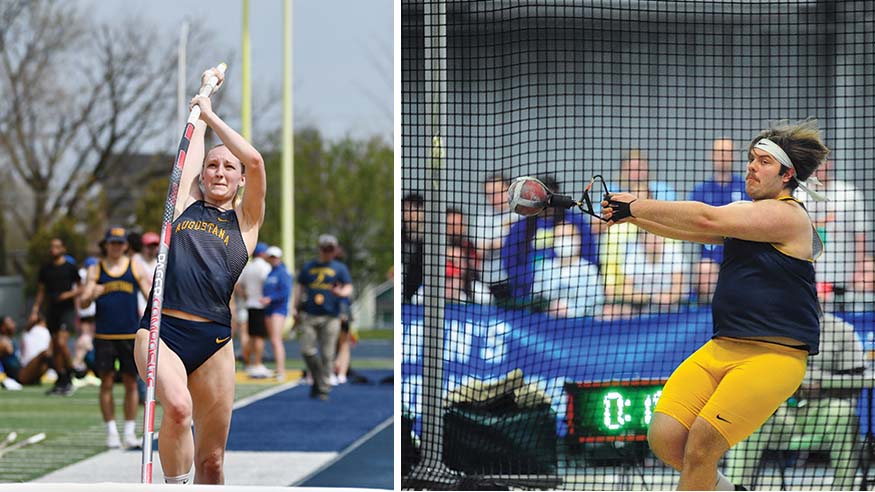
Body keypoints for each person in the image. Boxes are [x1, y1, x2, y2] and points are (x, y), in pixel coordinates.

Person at [601, 119, 830, 490]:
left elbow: (707, 216)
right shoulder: (748, 214)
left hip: (772, 357)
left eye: (763, 162)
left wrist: (638, 204)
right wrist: (633, 216)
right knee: (665, 437)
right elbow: (696, 230)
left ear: (787, 174)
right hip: (722, 348)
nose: (751, 166)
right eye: (751, 159)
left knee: (702, 447)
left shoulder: (786, 214)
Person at [133, 67, 265, 485]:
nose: (220, 172)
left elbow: (256, 159)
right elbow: (193, 147)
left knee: (214, 463)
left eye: (229, 167)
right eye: (212, 166)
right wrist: (202, 100)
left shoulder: (246, 221)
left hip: (214, 342)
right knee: (176, 409)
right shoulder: (185, 202)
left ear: (240, 180)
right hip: (160, 331)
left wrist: (211, 116)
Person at [724, 312, 867, 490]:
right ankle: (735, 487)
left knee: (844, 413)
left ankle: (843, 488)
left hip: (824, 408)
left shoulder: (841, 330)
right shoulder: (772, 329)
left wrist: (824, 384)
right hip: (783, 409)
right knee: (750, 419)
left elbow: (857, 376)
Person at [81, 227, 152, 449]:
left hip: (130, 334)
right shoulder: (96, 269)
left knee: (132, 383)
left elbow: (150, 296)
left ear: (125, 246)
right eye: (112, 243)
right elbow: (83, 302)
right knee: (107, 383)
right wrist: (91, 294)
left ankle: (130, 432)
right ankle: (111, 431)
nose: (116, 247)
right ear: (106, 245)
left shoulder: (134, 266)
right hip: (104, 334)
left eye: (119, 243)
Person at [291, 234, 352, 400]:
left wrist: (341, 293)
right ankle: (318, 379)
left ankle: (323, 388)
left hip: (331, 315)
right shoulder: (308, 267)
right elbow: (300, 288)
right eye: (325, 249)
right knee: (306, 350)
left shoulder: (340, 268)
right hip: (310, 314)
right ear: (320, 249)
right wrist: (295, 307)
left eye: (330, 249)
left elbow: (348, 287)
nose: (327, 252)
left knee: (327, 353)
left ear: (335, 250)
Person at [796, 159, 870, 296]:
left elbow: (861, 235)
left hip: (841, 273)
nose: (818, 169)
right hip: (807, 273)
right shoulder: (798, 194)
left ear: (829, 164)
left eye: (821, 163)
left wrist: (860, 270)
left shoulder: (849, 194)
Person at [689, 139, 747, 303]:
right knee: (704, 270)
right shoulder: (701, 191)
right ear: (712, 156)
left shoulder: (746, 188)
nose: (723, 157)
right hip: (711, 259)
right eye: (720, 152)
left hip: (742, 256)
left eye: (728, 152)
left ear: (734, 156)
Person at [29, 237, 81, 396]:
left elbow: (81, 288)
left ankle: (71, 369)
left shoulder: (70, 267)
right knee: (55, 347)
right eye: (51, 247)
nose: (53, 250)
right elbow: (40, 292)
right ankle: (62, 379)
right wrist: (35, 310)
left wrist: (67, 295)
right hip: (52, 310)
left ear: (63, 249)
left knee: (61, 342)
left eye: (57, 247)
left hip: (66, 310)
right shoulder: (45, 269)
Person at [532, 221, 604, 318]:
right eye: (559, 237)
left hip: (580, 325)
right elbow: (534, 299)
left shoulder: (589, 270)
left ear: (578, 240)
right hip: (548, 325)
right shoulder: (544, 268)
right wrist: (549, 307)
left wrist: (572, 311)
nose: (564, 240)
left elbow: (598, 304)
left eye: (569, 236)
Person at [473, 174, 519, 293]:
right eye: (489, 194)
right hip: (489, 281)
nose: (495, 198)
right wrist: (505, 242)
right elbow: (479, 250)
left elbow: (522, 244)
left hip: (516, 278)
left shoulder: (520, 214)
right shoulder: (483, 217)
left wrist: (493, 244)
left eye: (498, 192)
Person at [237, 242, 272, 378]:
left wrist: (246, 296)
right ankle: (257, 364)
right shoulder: (265, 267)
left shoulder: (249, 267)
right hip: (260, 304)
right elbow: (268, 284)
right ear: (263, 254)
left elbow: (238, 285)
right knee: (259, 337)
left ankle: (250, 363)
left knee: (251, 336)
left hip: (250, 304)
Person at [261, 246, 292, 382]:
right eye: (271, 257)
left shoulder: (283, 273)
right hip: (269, 309)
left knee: (276, 339)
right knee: (273, 340)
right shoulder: (270, 273)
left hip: (278, 309)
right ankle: (278, 368)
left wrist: (270, 298)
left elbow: (285, 292)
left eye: (275, 257)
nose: (273, 259)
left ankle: (281, 370)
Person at [72, 256, 98, 379]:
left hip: (88, 314)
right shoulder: (86, 275)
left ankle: (81, 365)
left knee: (86, 341)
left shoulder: (83, 276)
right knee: (86, 340)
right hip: (88, 314)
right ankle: (78, 365)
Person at [401, 193, 424, 303]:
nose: (409, 214)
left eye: (414, 209)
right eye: (405, 210)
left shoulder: (432, 241)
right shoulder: (400, 237)